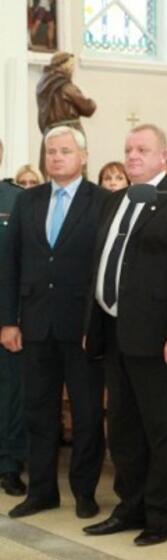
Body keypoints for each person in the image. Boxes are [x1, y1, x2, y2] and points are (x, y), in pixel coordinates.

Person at [82, 124, 167, 546]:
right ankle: (130, 506)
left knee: (160, 430)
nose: (132, 156)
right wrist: (93, 325)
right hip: (114, 330)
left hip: (159, 338)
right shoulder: (116, 200)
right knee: (123, 429)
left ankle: (162, 516)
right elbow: (102, 264)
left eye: (142, 149)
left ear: (164, 155)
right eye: (127, 149)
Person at [0, 126, 108, 519]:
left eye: (65, 151)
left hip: (81, 328)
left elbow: (105, 270)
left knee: (87, 414)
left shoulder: (103, 201)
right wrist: (8, 321)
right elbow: (9, 264)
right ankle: (42, 491)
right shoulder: (28, 200)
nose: (57, 158)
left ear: (83, 156)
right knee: (38, 412)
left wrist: (95, 326)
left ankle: (84, 492)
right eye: (51, 152)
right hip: (35, 325)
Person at [0, 143, 26, 499]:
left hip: (5, 315)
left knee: (11, 394)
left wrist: (13, 318)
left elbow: (24, 263)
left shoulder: (16, 199)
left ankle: (9, 465)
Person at [35, 52, 96, 177]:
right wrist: (92, 103)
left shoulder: (42, 85)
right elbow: (88, 108)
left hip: (50, 132)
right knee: (72, 170)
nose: (72, 69)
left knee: (51, 171)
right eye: (71, 65)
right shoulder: (65, 86)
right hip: (69, 130)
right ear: (62, 65)